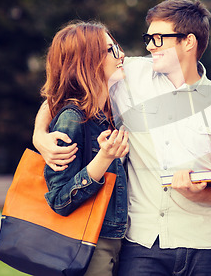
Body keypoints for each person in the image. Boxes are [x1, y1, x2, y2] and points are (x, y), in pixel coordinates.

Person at [33, 0, 211, 275]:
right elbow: (70, 86)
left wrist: (197, 195)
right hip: (140, 243)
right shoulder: (128, 74)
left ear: (188, 41)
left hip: (205, 246)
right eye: (148, 38)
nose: (149, 46)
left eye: (158, 39)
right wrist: (39, 133)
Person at [40, 21, 129, 276]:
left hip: (116, 241)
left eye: (117, 47)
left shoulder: (108, 112)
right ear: (88, 61)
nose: (121, 55)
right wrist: (104, 158)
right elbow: (59, 200)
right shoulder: (72, 118)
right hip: (88, 246)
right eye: (111, 50)